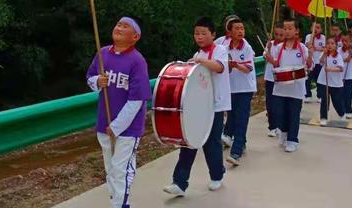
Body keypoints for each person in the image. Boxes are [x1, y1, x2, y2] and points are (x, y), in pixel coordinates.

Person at [86, 16, 152, 208]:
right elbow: (89, 77)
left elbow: (137, 100)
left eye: (125, 27)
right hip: (104, 121)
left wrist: (117, 126)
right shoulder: (103, 53)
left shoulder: (137, 61)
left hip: (128, 127)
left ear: (135, 36)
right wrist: (98, 81)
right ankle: (117, 199)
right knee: (110, 168)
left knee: (120, 168)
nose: (119, 28)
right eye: (118, 25)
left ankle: (121, 204)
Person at [164, 17, 231, 196]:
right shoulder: (197, 55)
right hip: (199, 106)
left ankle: (217, 176)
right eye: (196, 33)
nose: (199, 37)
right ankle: (179, 182)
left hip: (216, 105)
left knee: (212, 143)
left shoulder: (220, 50)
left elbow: (219, 67)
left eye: (203, 33)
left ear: (213, 35)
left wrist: (199, 62)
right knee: (189, 141)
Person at [265, 18, 312, 153]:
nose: (287, 31)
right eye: (285, 28)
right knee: (279, 113)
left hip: (296, 88)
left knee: (293, 114)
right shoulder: (278, 48)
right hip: (280, 87)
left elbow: (310, 66)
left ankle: (292, 139)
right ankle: (284, 134)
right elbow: (276, 63)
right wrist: (269, 59)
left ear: (296, 31)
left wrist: (310, 56)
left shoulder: (302, 48)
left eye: (290, 28)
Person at [222, 18, 256, 166]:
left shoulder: (246, 47)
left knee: (242, 118)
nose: (240, 31)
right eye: (237, 28)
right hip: (230, 88)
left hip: (245, 88)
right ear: (229, 32)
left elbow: (248, 68)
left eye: (242, 28)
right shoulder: (223, 45)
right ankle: (240, 141)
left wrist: (235, 65)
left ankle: (236, 152)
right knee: (233, 116)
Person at [318, 37, 345, 126]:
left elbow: (341, 68)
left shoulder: (338, 56)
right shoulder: (324, 54)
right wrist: (324, 54)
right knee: (324, 100)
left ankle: (341, 113)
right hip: (324, 81)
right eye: (328, 43)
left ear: (336, 46)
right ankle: (323, 117)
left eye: (332, 43)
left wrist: (330, 69)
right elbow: (321, 62)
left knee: (336, 101)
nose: (330, 45)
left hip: (335, 83)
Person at [264, 23, 284, 137]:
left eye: (281, 34)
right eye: (276, 34)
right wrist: (268, 49)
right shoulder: (270, 44)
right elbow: (265, 56)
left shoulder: (285, 46)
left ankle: (280, 125)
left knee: (279, 104)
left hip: (281, 78)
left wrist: (272, 60)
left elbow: (279, 62)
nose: (278, 36)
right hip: (270, 78)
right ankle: (272, 126)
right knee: (270, 104)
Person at [304, 22, 326, 103]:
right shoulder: (308, 36)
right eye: (314, 27)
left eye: (318, 27)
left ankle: (320, 95)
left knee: (319, 80)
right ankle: (307, 95)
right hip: (310, 62)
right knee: (308, 79)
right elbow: (308, 45)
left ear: (321, 29)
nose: (316, 29)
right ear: (311, 28)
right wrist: (312, 38)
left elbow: (324, 48)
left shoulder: (323, 37)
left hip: (319, 62)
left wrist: (316, 48)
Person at [340, 32, 352, 119]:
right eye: (343, 41)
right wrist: (345, 59)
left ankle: (349, 110)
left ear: (351, 41)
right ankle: (343, 109)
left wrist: (351, 54)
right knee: (341, 94)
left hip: (351, 76)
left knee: (348, 94)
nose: (344, 43)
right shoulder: (338, 50)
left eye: (346, 41)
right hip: (340, 77)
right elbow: (336, 61)